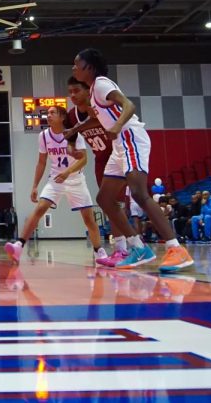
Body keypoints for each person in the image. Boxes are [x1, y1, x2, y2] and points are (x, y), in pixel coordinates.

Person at [70, 51, 193, 272]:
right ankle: (138, 247)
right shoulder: (93, 90)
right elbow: (97, 118)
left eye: (76, 65)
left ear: (88, 67)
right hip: (119, 147)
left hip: (130, 138)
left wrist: (116, 127)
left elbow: (129, 105)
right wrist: (74, 129)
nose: (73, 68)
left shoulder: (101, 84)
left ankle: (177, 250)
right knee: (105, 199)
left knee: (138, 192)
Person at [6, 105, 108, 265]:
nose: (49, 115)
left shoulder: (73, 134)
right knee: (39, 208)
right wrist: (34, 186)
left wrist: (67, 172)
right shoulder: (44, 136)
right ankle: (19, 245)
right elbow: (41, 162)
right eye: (48, 113)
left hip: (76, 180)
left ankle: (98, 252)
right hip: (55, 179)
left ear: (62, 117)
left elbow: (84, 159)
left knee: (88, 218)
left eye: (53, 113)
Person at [65, 77, 136, 266]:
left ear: (88, 91)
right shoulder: (72, 115)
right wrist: (72, 147)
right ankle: (122, 248)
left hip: (119, 153)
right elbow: (71, 134)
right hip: (101, 160)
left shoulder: (100, 107)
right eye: (70, 91)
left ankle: (135, 244)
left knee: (130, 200)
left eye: (76, 91)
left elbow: (97, 119)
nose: (72, 95)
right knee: (108, 204)